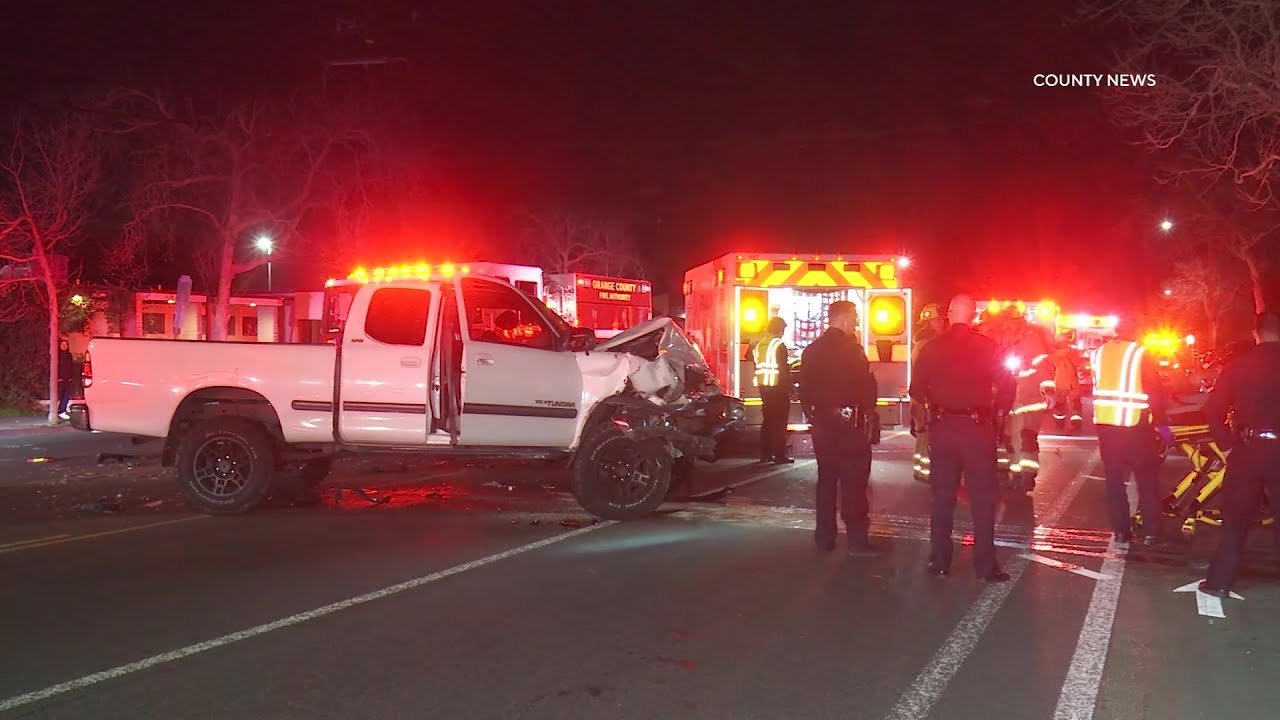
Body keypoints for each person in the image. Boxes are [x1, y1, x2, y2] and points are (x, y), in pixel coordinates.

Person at [910, 294, 1014, 582]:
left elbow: (916, 389)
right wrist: (996, 414)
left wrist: (936, 403)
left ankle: (940, 561)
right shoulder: (988, 347)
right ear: (973, 314)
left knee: (942, 497)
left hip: (943, 428)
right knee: (983, 498)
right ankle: (985, 566)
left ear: (950, 313)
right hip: (977, 428)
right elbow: (1007, 386)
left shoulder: (931, 348)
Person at [1200, 312, 1280, 598]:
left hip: (1248, 448)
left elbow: (1213, 410)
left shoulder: (1239, 366)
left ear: (1255, 332)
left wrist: (1227, 444)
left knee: (1236, 520)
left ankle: (1220, 581)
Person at [798, 300, 879, 556]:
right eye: (854, 318)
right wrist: (868, 411)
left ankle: (824, 537)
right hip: (849, 426)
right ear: (843, 319)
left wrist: (815, 416)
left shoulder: (811, 351)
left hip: (823, 424)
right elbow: (867, 389)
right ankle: (857, 541)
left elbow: (804, 389)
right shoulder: (852, 351)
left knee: (827, 480)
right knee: (853, 483)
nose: (855, 323)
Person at [1091, 315, 1171, 545]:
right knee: (1147, 481)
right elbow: (1154, 391)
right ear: (1136, 331)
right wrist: (1163, 428)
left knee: (1114, 482)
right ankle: (1151, 532)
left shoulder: (1098, 353)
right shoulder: (1139, 353)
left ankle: (1121, 531)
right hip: (1135, 428)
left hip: (1106, 427)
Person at [1007, 321, 1054, 491]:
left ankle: (1028, 476)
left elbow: (1043, 365)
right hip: (1012, 400)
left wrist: (1049, 390)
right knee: (1011, 438)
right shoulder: (1007, 339)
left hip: (1030, 399)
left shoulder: (1031, 339)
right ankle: (1016, 474)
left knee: (1027, 436)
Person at [911, 303, 946, 481]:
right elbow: (923, 373)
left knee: (923, 434)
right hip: (925, 397)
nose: (941, 324)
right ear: (930, 322)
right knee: (925, 434)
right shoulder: (927, 344)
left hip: (920, 396)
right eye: (938, 320)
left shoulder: (922, 342)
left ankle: (921, 470)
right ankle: (925, 472)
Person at [753, 316, 794, 464]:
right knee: (780, 422)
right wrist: (791, 389)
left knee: (768, 421)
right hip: (778, 388)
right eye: (783, 329)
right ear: (779, 329)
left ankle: (765, 454)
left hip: (764, 387)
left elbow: (750, 358)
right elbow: (784, 369)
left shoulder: (760, 343)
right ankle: (780, 455)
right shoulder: (778, 345)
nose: (783, 332)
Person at [1051, 334, 1084, 432]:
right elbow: (1078, 365)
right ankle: (1076, 424)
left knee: (1060, 406)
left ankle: (1059, 424)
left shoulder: (1053, 355)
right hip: (1072, 383)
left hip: (1059, 384)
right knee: (1075, 406)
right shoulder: (1072, 353)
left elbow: (1051, 369)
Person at [57, 339, 74, 421]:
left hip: (68, 379)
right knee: (59, 395)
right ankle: (59, 411)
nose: (64, 346)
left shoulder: (69, 355)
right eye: (62, 344)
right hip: (60, 379)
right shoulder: (57, 355)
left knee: (67, 395)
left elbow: (71, 366)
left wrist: (70, 377)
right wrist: (58, 377)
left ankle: (62, 410)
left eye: (65, 344)